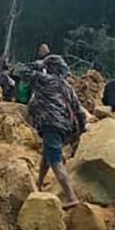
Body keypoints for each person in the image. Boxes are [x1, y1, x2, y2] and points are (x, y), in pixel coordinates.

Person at [19, 55, 86, 208]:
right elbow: (79, 111)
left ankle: (71, 197)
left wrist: (37, 64)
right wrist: (81, 131)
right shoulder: (66, 86)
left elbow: (21, 71)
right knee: (47, 154)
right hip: (64, 127)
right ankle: (39, 184)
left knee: (55, 161)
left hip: (50, 124)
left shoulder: (44, 80)